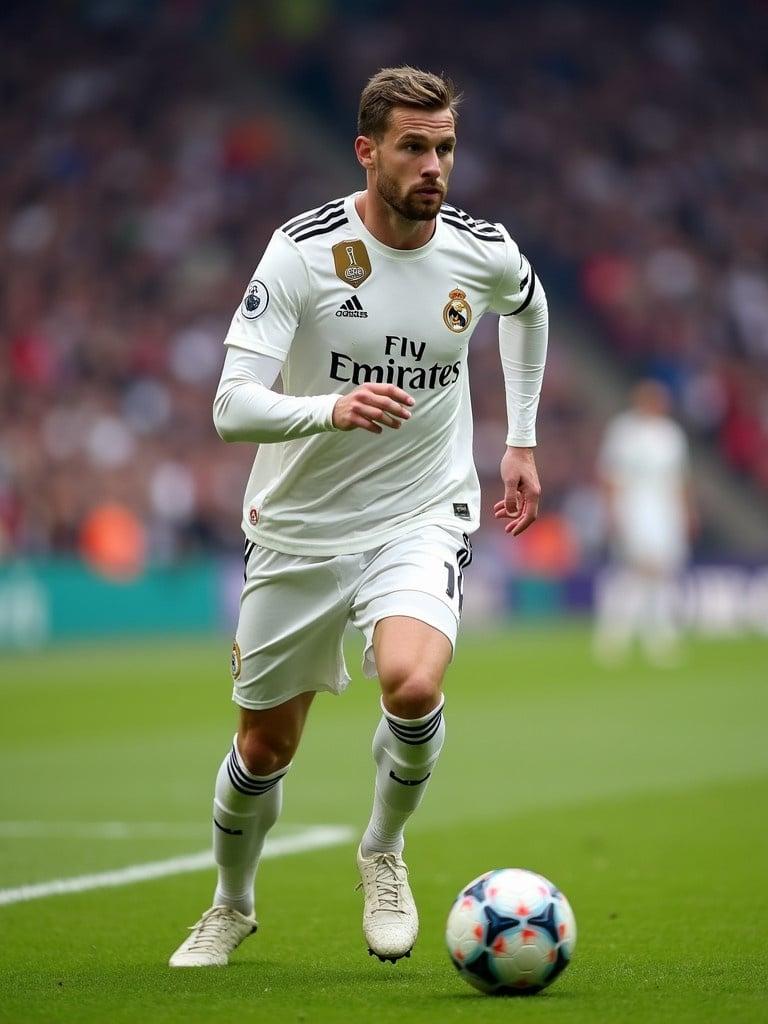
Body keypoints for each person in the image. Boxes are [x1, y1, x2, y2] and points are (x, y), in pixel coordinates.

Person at [169, 66, 548, 968]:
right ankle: (231, 902)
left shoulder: (478, 249)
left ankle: (383, 848)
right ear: (367, 151)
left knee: (413, 685)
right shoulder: (302, 253)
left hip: (421, 508)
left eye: (446, 147)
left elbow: (527, 309)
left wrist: (521, 441)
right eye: (414, 147)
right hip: (299, 526)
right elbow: (230, 407)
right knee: (264, 747)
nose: (434, 167)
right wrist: (327, 409)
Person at [593, 379, 695, 666]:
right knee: (637, 570)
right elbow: (610, 475)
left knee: (663, 573)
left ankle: (659, 636)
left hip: (666, 510)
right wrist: (612, 511)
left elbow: (680, 479)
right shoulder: (624, 431)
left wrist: (686, 512)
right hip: (634, 507)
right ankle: (615, 636)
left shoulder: (671, 435)